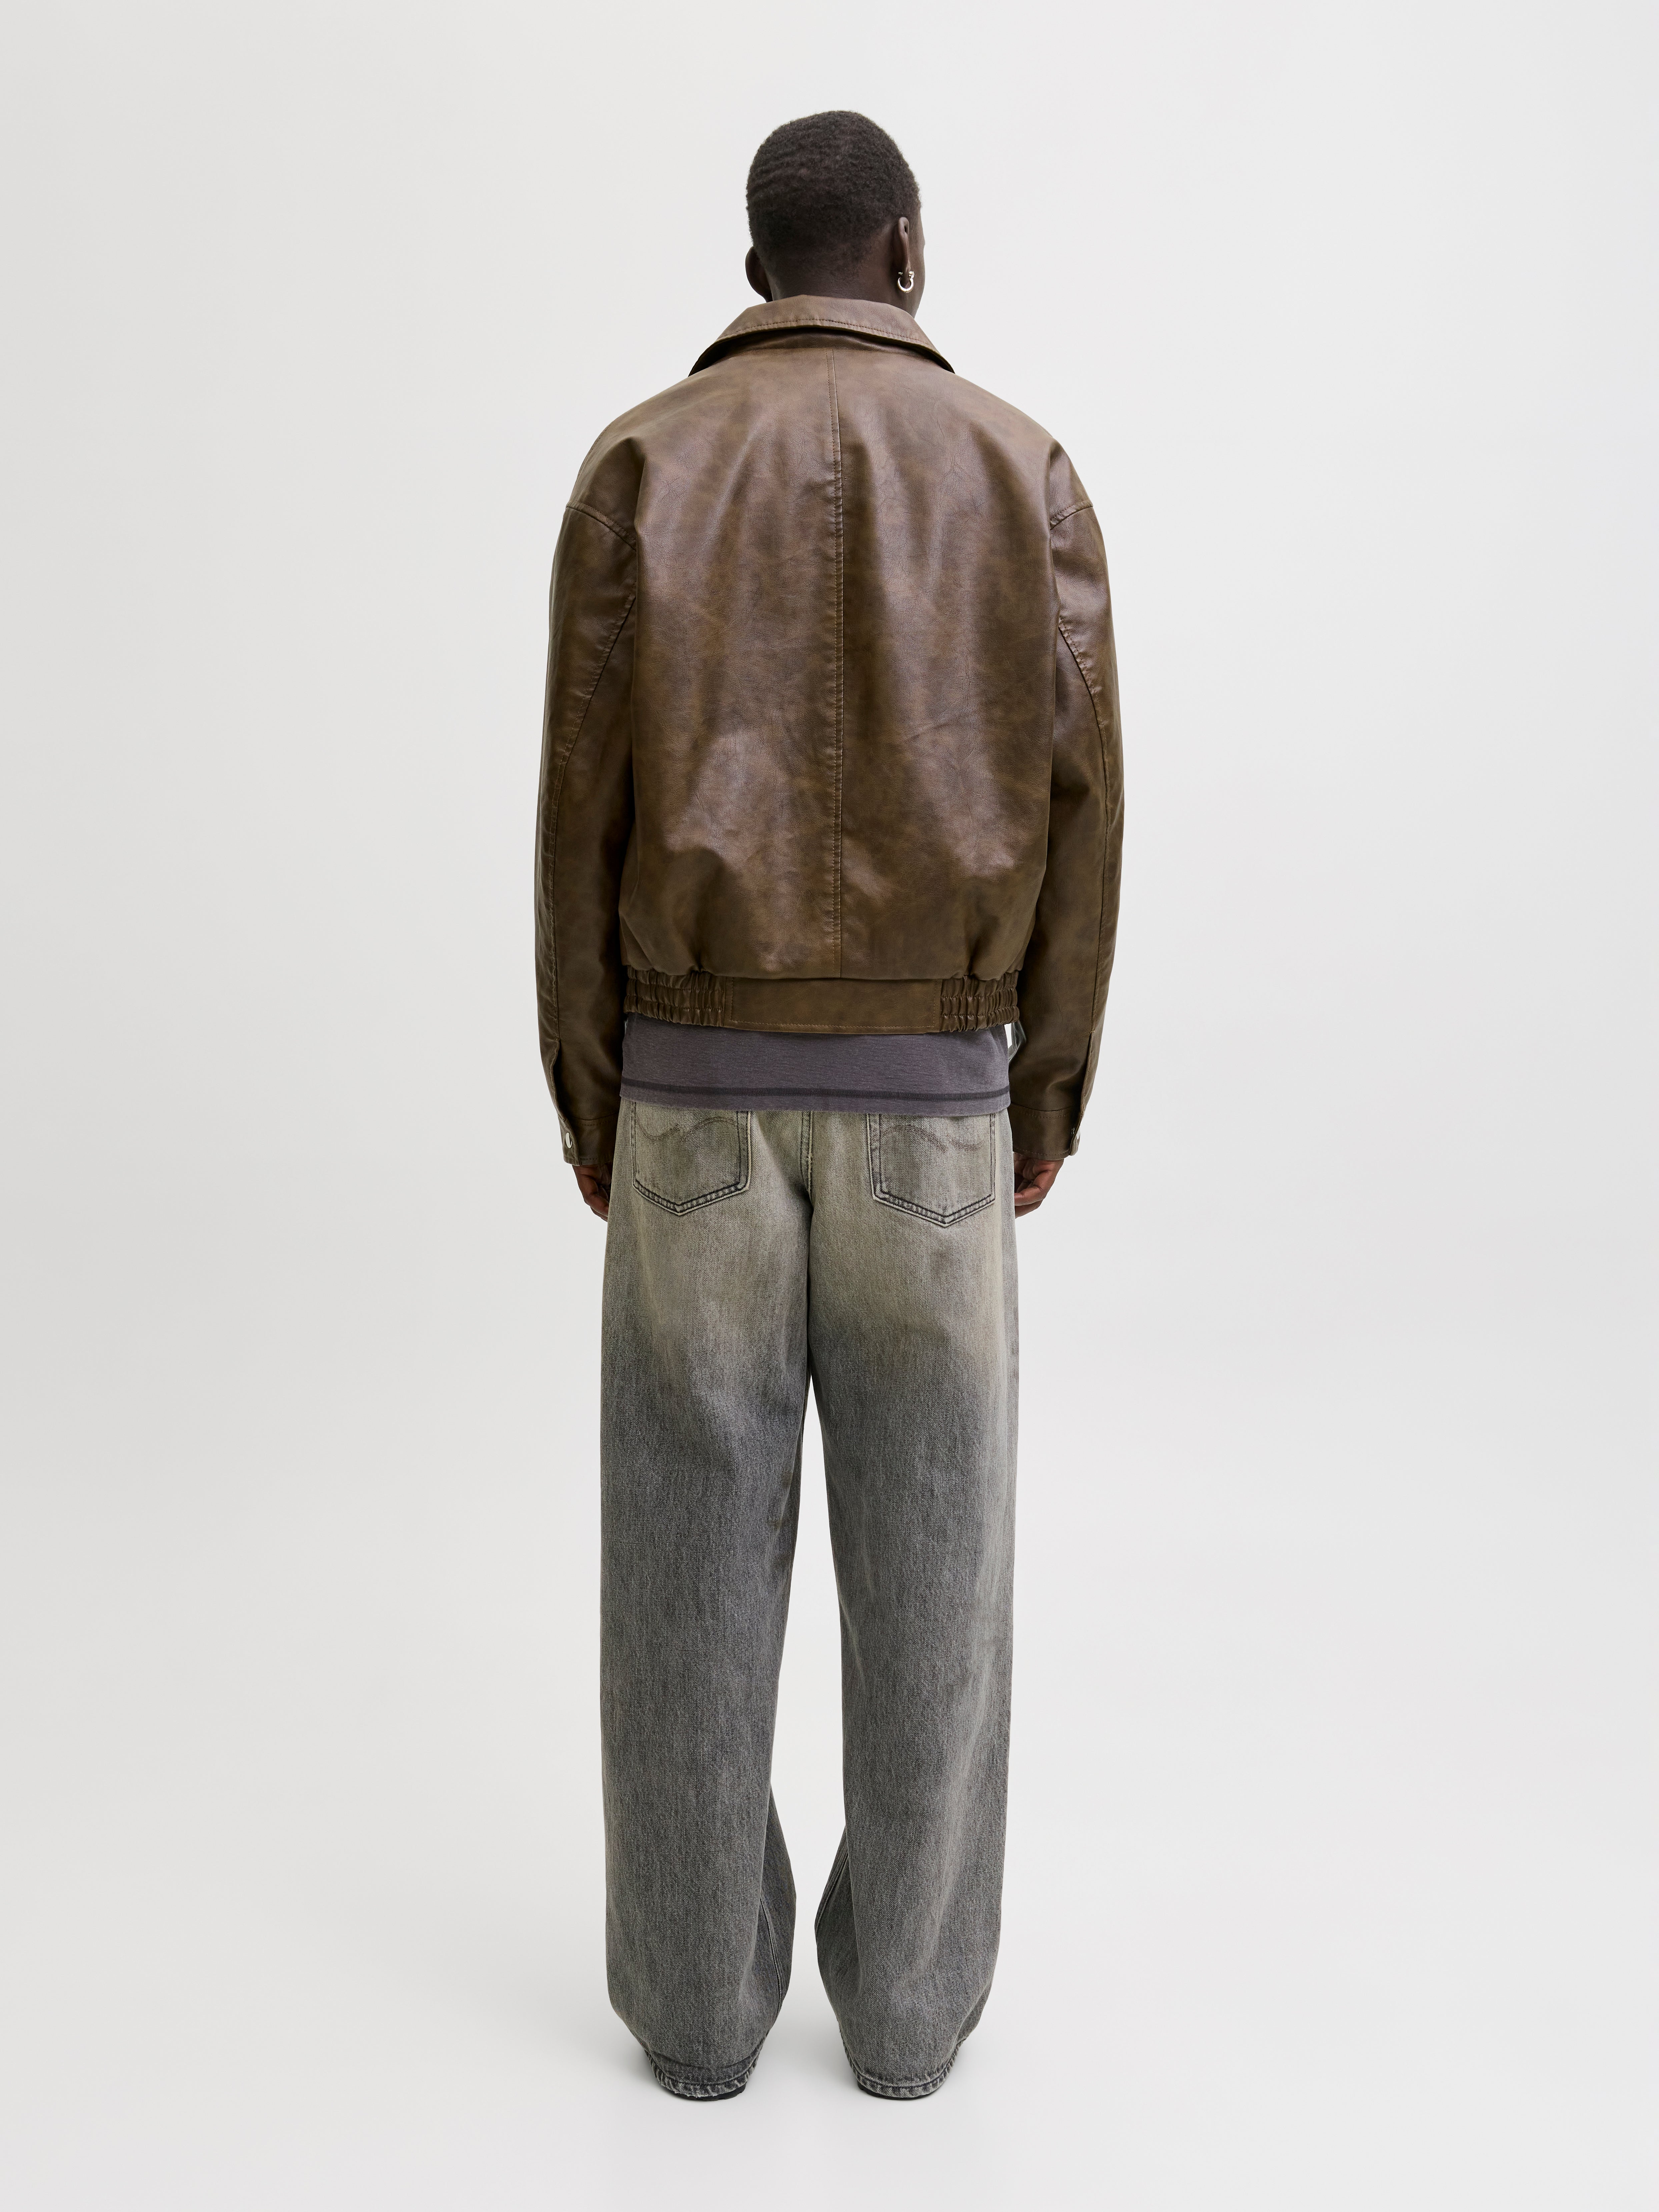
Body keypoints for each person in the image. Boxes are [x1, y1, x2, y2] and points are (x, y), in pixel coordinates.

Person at [534, 109, 1123, 2102]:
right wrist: (1043, 1084)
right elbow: (1086, 806)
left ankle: (698, 2020)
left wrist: (595, 1092)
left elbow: (578, 807)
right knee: (939, 1582)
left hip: (690, 1095)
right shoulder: (1021, 470)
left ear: (757, 265)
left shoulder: (639, 464)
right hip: (939, 1106)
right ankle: (910, 2022)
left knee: (682, 1574)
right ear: (908, 253)